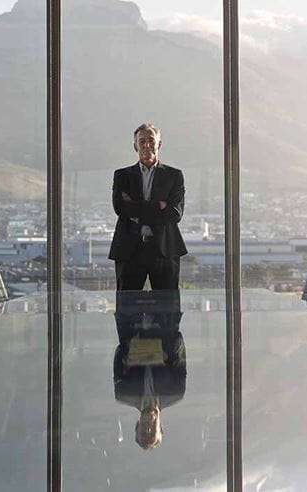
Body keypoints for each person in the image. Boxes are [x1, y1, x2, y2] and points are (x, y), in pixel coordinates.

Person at [109, 123, 187, 291]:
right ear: (135, 146)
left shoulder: (174, 175)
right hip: (130, 249)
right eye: (142, 141)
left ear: (159, 144)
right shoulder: (122, 176)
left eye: (151, 140)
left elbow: (175, 214)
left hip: (165, 250)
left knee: (168, 310)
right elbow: (121, 209)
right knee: (126, 310)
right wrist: (159, 206)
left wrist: (136, 208)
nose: (147, 145)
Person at [113, 290, 186, 450]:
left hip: (130, 316)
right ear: (161, 428)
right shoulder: (176, 392)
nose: (148, 428)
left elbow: (119, 351)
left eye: (143, 432)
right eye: (152, 433)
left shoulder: (123, 393)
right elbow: (179, 343)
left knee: (129, 278)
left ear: (136, 426)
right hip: (165, 316)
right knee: (165, 276)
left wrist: (130, 353)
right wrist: (164, 354)